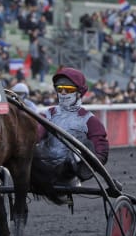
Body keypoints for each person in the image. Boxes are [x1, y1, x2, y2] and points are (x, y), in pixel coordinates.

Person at [31, 67, 109, 203]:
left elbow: (101, 150)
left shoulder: (89, 120)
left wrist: (88, 166)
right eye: (59, 89)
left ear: (79, 92)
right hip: (44, 170)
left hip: (71, 173)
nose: (63, 92)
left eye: (69, 89)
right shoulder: (48, 115)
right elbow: (35, 134)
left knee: (81, 143)